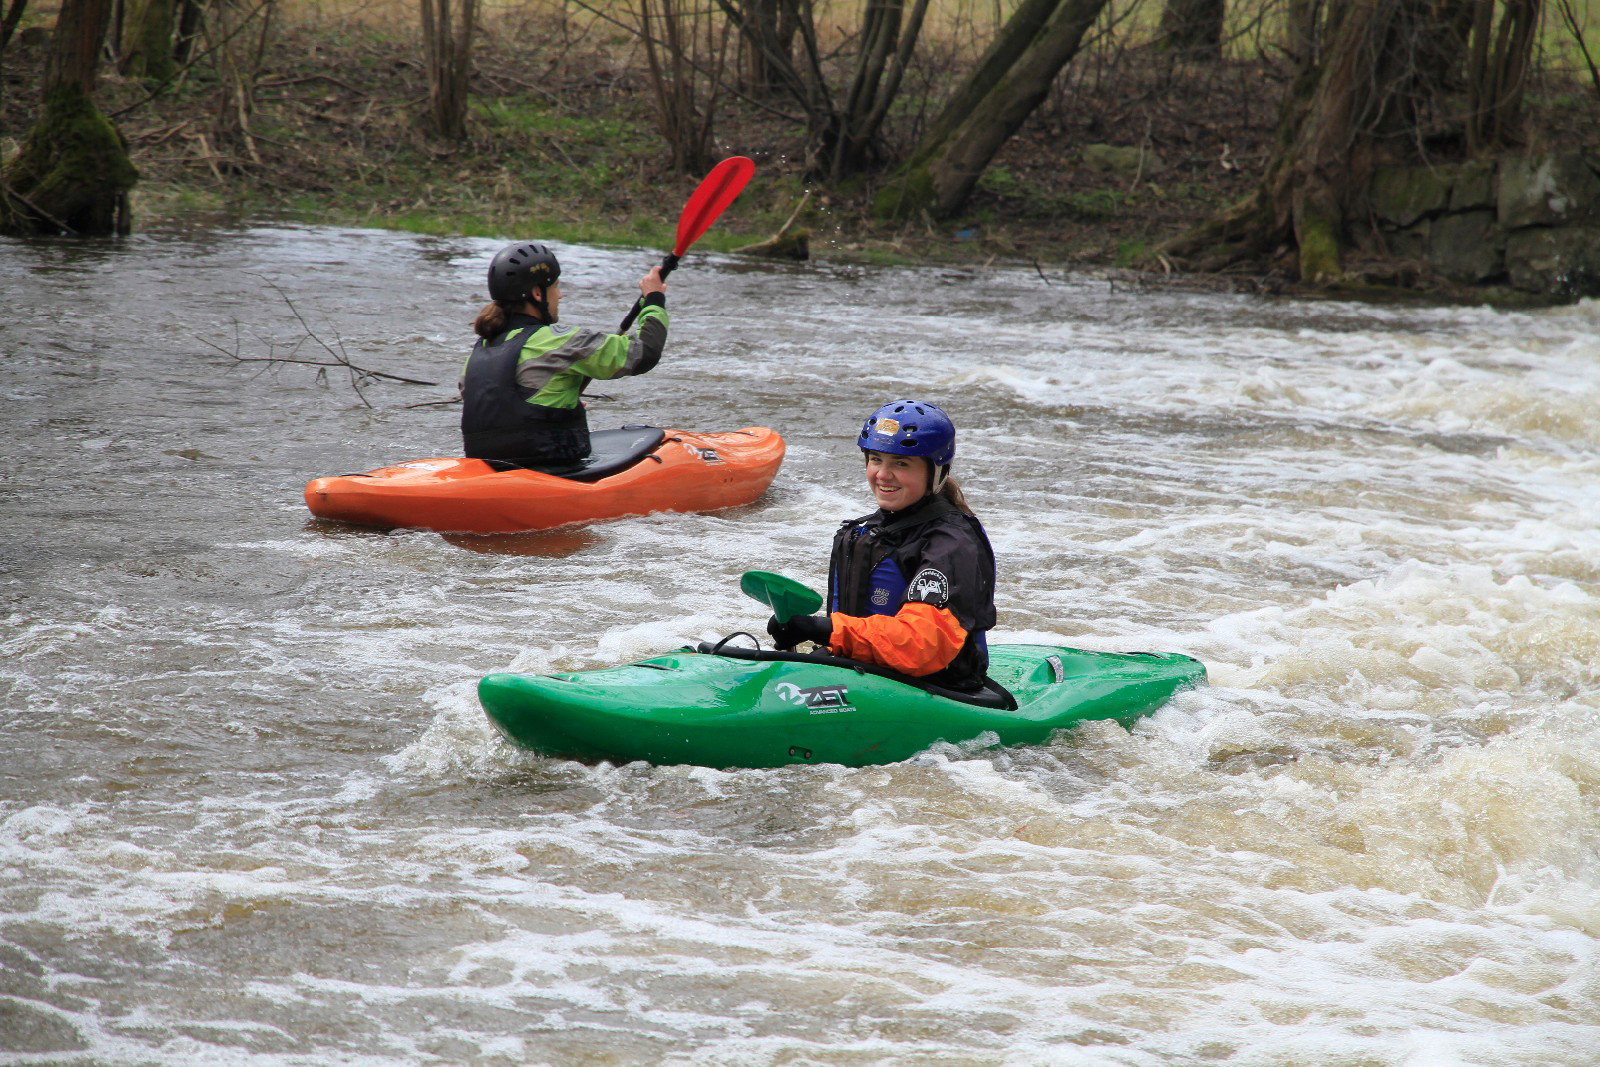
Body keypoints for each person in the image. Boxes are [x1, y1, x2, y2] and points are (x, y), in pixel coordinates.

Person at [766, 399, 998, 693]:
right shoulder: (872, 530)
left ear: (936, 472)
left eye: (901, 463)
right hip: (869, 674)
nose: (883, 475)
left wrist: (828, 630)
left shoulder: (949, 545)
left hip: (932, 687)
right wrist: (798, 627)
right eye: (876, 459)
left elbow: (921, 644)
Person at [460, 241, 668, 467]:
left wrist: (558, 405)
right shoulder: (560, 341)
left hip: (488, 468)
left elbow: (504, 410)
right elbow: (644, 353)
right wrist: (654, 299)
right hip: (548, 468)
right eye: (555, 287)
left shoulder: (478, 352)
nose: (560, 295)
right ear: (538, 293)